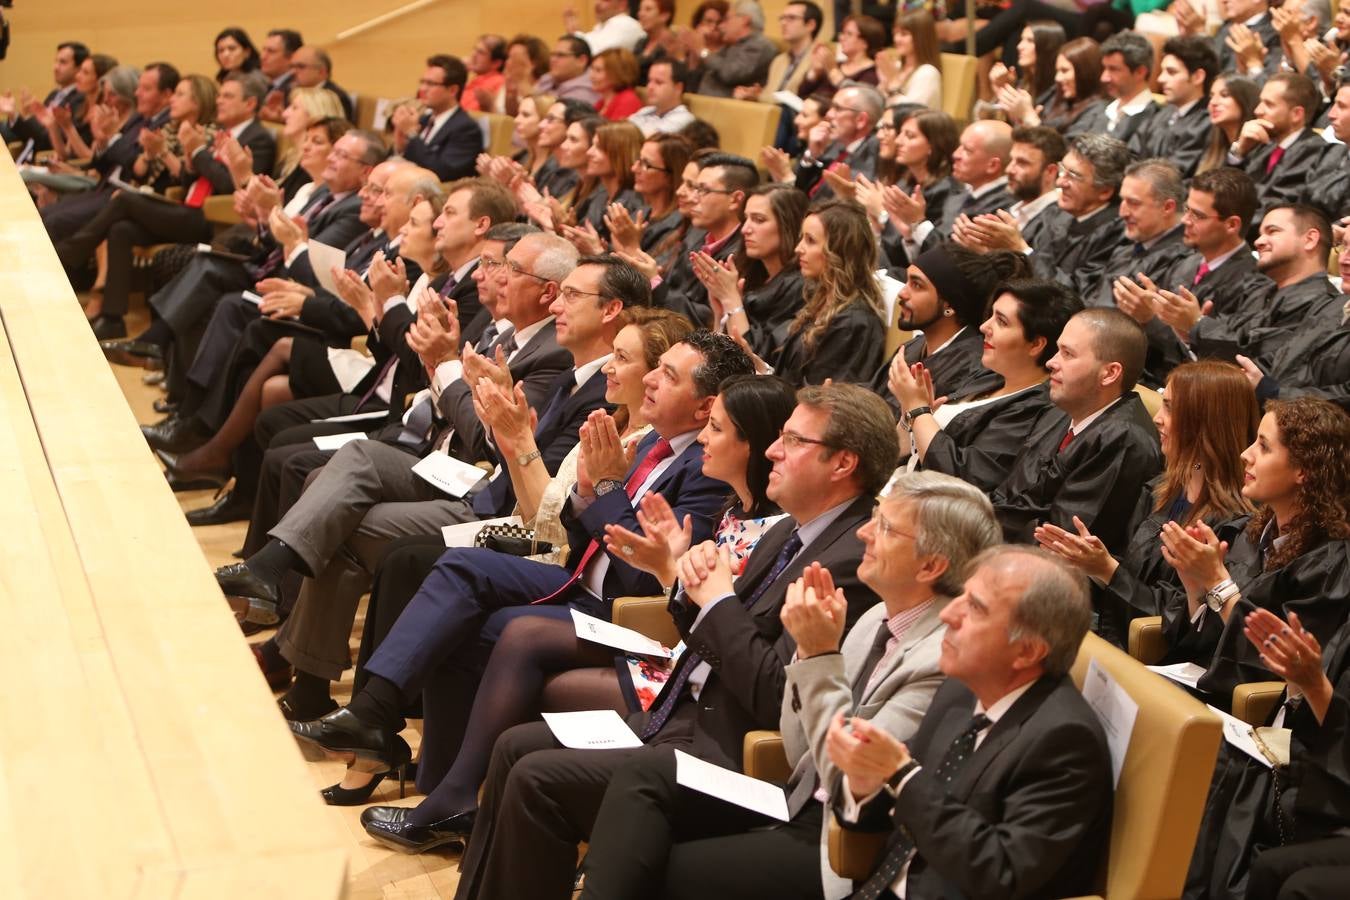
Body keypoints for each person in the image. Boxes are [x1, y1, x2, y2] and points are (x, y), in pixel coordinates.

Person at [442, 383, 896, 896]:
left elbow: (775, 698)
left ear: (842, 464)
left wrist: (719, 600)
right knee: (513, 746)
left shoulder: (847, 564)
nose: (773, 449)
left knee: (537, 780)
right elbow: (713, 640)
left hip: (737, 760)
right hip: (678, 720)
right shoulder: (791, 530)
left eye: (793, 440)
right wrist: (675, 576)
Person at [289, 333, 756, 814]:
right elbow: (579, 527)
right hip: (579, 578)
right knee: (457, 577)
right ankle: (399, 741)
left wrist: (607, 486)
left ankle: (433, 776)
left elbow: (642, 578)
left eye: (669, 375)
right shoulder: (654, 441)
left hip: (625, 613)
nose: (653, 378)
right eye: (656, 367)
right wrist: (589, 493)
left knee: (464, 603)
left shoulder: (703, 468)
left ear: (704, 410)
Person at [577, 472, 1000, 899]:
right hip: (795, 797)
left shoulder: (941, 657)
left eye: (886, 527)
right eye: (873, 518)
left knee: (660, 867)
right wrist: (808, 655)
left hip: (846, 842)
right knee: (649, 772)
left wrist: (817, 656)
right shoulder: (876, 617)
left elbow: (845, 780)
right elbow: (799, 751)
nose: (865, 533)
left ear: (930, 565)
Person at [215, 231, 581, 629]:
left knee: (321, 481)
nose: (495, 276)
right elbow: (434, 390)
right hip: (436, 451)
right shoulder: (505, 331)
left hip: (474, 480)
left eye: (510, 268)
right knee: (335, 461)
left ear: (546, 292)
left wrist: (442, 361)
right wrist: (436, 362)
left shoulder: (552, 353)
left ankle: (275, 602)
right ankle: (267, 577)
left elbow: (485, 438)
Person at [830, 545, 1113, 900]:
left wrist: (902, 776)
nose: (948, 613)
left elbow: (1001, 873)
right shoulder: (959, 692)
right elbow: (901, 814)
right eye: (961, 596)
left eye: (975, 607)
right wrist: (863, 783)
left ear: (1027, 650)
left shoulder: (1065, 740)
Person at [1181, 399, 1350, 898]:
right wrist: (1196, 586)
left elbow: (1264, 661)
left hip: (1283, 726)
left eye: (1263, 446)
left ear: (1304, 472)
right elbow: (1200, 639)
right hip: (1232, 693)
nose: (1245, 456)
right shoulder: (1258, 533)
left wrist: (1216, 585)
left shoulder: (1332, 560)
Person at [1037, 359, 1258, 651]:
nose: (1157, 418)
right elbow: (1128, 570)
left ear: (1204, 422)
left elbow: (1176, 622)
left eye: (1170, 408)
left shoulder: (1235, 525)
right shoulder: (1162, 489)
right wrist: (1087, 560)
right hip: (1110, 625)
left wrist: (1106, 569)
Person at [56, 71, 278, 341]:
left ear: (250, 104)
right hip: (187, 206)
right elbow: (191, 180)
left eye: (228, 96)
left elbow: (229, 187)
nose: (219, 101)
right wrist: (189, 157)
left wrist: (197, 152)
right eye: (219, 95)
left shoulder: (259, 138)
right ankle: (113, 319)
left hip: (214, 219)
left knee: (125, 200)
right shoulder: (224, 133)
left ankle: (70, 252)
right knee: (122, 230)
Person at [991, 307, 1164, 553]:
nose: (1051, 362)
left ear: (1109, 373)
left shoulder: (1123, 440)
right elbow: (1012, 493)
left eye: (1067, 354)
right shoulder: (1062, 410)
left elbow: (1062, 543)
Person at [891, 278, 1081, 492]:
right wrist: (911, 415)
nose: (983, 327)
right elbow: (900, 450)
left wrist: (919, 410)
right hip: (898, 486)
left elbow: (963, 479)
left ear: (1036, 344)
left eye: (1001, 321)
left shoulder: (1036, 410)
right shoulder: (988, 377)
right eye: (990, 315)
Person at [1163, 205, 1343, 373]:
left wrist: (1197, 325)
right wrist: (1188, 333)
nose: (1258, 241)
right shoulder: (1260, 293)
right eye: (1260, 233)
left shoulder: (1324, 305)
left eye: (1272, 231)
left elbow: (1261, 359)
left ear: (1310, 239)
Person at [870, 242, 1018, 415]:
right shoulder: (913, 347)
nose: (902, 293)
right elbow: (872, 394)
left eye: (917, 285)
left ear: (950, 306)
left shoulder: (973, 370)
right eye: (907, 281)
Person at [692, 182, 806, 360]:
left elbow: (755, 360)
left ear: (788, 225)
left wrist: (731, 299)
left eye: (759, 220)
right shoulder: (752, 273)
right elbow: (719, 357)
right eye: (746, 219)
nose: (745, 229)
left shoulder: (800, 286)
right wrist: (721, 312)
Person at [950, 124, 1067, 260]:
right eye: (1012, 160)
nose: (1009, 170)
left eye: (1022, 163)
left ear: (1050, 172)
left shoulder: (1058, 222)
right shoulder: (1007, 210)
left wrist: (984, 256)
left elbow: (1046, 279)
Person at [1228, 73, 1329, 216]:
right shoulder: (1262, 142)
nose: (1258, 111)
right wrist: (1239, 151)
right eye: (1260, 102)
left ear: (1296, 114)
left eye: (1268, 104)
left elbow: (1273, 208)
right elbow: (1226, 193)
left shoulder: (1314, 151)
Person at [1130, 35, 1218, 178]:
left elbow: (1172, 175)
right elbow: (1131, 154)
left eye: (1171, 72)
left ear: (1197, 77)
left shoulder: (1207, 123)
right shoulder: (1161, 113)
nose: (1160, 79)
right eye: (1162, 71)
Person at [391, 55, 483, 182]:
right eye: (422, 82)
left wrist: (412, 134)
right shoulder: (424, 119)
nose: (422, 89)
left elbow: (442, 172)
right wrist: (400, 145)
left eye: (430, 84)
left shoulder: (466, 128)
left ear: (452, 90)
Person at [793, 83, 884, 202]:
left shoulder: (872, 156)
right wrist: (812, 155)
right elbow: (802, 190)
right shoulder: (835, 144)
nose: (829, 115)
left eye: (838, 108)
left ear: (861, 120)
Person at [1068, 30, 1162, 144]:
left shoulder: (1155, 121)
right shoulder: (1097, 109)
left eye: (1113, 69)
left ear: (1140, 72)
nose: (1104, 78)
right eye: (1104, 68)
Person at [1, 40, 89, 151]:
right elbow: (36, 129)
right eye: (56, 61)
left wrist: (15, 115)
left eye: (63, 62)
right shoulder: (55, 94)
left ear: (79, 68)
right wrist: (19, 116)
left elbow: (46, 140)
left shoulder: (80, 100)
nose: (56, 67)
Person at [691, 0, 779, 98]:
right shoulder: (733, 45)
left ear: (744, 20)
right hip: (706, 104)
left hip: (728, 109)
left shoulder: (760, 46)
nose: (721, 26)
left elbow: (730, 74)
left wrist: (703, 51)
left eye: (727, 19)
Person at [1015, 37, 1103, 134]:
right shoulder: (1061, 102)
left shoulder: (1098, 111)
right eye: (1057, 71)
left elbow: (1069, 147)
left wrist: (1032, 121)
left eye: (1064, 71)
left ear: (1085, 72)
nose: (1058, 78)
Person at [987, 21, 1065, 124]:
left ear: (1047, 46)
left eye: (1030, 41)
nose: (1019, 46)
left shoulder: (1059, 92)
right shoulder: (1023, 84)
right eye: (1021, 40)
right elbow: (997, 125)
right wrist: (1002, 89)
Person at [796, 14, 885, 99]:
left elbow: (855, 100)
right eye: (842, 33)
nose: (841, 38)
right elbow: (801, 95)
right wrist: (815, 72)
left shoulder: (872, 73)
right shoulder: (837, 65)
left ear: (865, 43)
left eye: (849, 34)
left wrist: (833, 70)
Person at [1196, 74, 1259, 175]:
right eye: (1211, 97)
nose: (1213, 102)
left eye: (1224, 95)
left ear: (1245, 101)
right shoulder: (1212, 143)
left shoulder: (1259, 147)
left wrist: (1238, 154)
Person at [878, 9, 942, 109]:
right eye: (895, 33)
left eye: (904, 34)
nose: (896, 39)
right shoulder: (897, 66)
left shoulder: (928, 73)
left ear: (921, 37)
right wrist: (883, 82)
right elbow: (878, 105)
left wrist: (893, 83)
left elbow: (911, 112)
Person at [629, 58, 696, 136]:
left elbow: (648, 141)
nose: (650, 87)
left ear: (678, 88)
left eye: (658, 82)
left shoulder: (684, 119)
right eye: (649, 81)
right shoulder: (645, 111)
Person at [286, 46, 355, 121]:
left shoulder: (335, 97)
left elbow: (336, 130)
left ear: (321, 72)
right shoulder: (291, 90)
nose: (292, 72)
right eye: (292, 66)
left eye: (301, 66)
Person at [565, 0, 646, 54]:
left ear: (622, 4)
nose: (597, 3)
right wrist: (575, 34)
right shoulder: (601, 26)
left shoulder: (626, 23)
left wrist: (575, 34)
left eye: (605, 0)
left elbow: (596, 53)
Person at [257, 28, 303, 122]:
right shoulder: (270, 85)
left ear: (291, 57)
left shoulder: (298, 88)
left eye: (271, 51)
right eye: (264, 50)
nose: (262, 56)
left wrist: (280, 119)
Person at [590, 48, 642, 120]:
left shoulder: (628, 101)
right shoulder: (601, 103)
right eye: (592, 69)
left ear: (617, 73)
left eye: (598, 71)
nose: (591, 76)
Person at [463, 35, 507, 112]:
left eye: (481, 53)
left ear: (496, 63)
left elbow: (467, 112)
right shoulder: (478, 78)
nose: (473, 55)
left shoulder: (498, 82)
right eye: (475, 50)